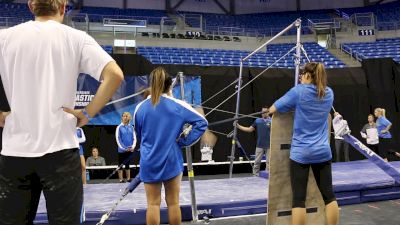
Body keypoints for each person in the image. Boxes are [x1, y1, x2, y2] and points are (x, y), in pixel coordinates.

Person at [0, 0, 124, 224]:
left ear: (31, 6)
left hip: (14, 153)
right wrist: (87, 113)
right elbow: (114, 75)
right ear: (63, 7)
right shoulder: (76, 38)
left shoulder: (5, 37)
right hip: (60, 152)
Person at [133, 67, 207, 225]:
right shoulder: (177, 105)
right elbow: (202, 122)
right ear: (169, 86)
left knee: (153, 204)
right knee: (173, 202)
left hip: (149, 159)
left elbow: (139, 136)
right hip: (171, 158)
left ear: (151, 85)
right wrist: (183, 141)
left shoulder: (140, 108)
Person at [268, 62, 339, 225]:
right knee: (329, 196)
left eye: (302, 74)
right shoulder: (329, 93)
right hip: (322, 151)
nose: (300, 77)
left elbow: (273, 109)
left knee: (299, 199)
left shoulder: (298, 92)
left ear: (307, 75)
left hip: (301, 153)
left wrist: (268, 111)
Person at [234, 107, 271, 175]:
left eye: (264, 112)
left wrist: (269, 123)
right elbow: (249, 129)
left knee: (269, 162)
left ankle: (267, 175)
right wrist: (238, 126)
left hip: (269, 145)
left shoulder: (272, 121)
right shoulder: (257, 121)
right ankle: (255, 175)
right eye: (262, 112)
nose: (262, 113)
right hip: (259, 145)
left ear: (268, 112)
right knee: (257, 162)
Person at [115, 112, 136, 182]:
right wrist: (123, 148)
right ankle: (121, 179)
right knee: (120, 164)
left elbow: (134, 138)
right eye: (123, 116)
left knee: (127, 164)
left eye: (126, 116)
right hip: (122, 150)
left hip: (130, 149)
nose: (125, 117)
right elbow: (118, 139)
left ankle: (128, 178)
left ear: (129, 117)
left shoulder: (131, 127)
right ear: (122, 118)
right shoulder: (119, 127)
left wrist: (133, 147)